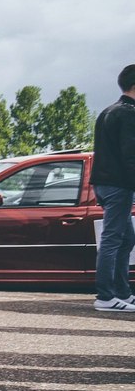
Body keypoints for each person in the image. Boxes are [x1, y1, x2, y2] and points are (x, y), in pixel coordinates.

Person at [89, 64, 135, 312]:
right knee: (113, 239)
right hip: (119, 184)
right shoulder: (129, 113)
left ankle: (122, 292)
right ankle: (106, 296)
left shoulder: (108, 111)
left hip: (104, 183)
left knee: (126, 238)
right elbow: (131, 154)